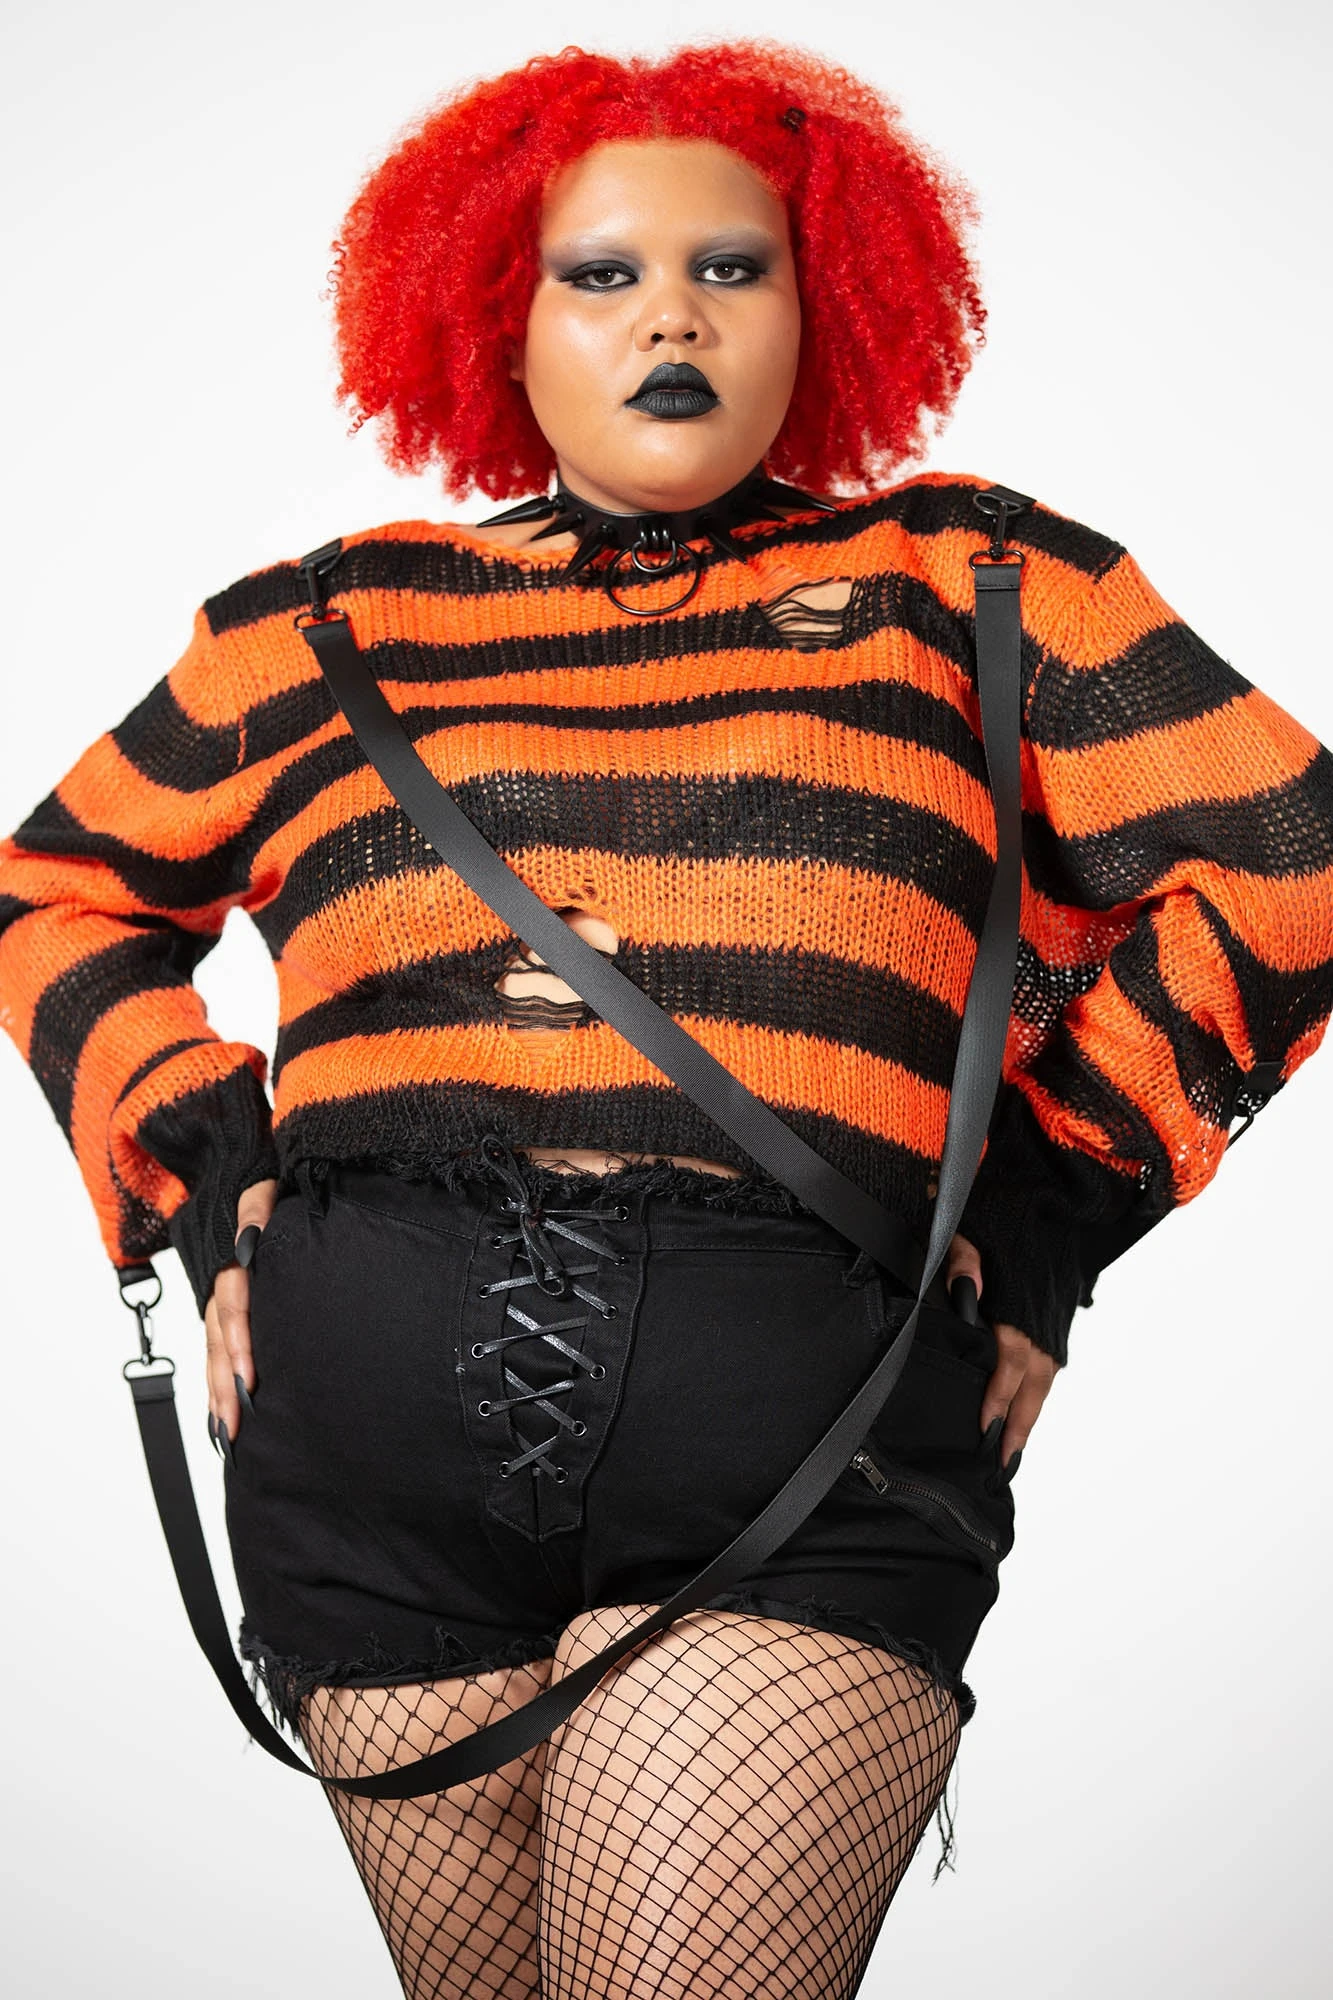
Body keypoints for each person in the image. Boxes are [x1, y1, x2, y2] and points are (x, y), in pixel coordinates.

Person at [2, 35, 1330, 2000]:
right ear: (496, 315)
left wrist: (1051, 1211)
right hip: (367, 1487)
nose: (672, 319)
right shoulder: (321, 622)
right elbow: (58, 892)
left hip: (800, 1455)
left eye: (733, 267)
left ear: (826, 300)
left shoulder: (976, 581)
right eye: (601, 274)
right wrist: (204, 1174)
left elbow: (1292, 862)